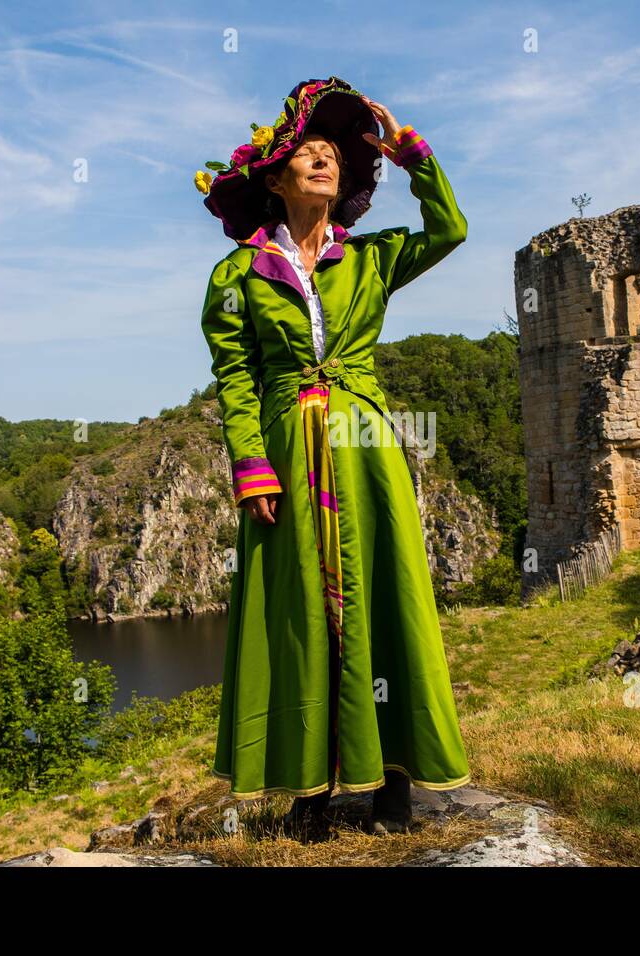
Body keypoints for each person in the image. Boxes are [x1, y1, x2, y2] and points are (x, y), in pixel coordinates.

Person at [194, 76, 470, 838]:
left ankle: (395, 787)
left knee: (387, 600)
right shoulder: (235, 278)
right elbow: (236, 380)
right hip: (286, 451)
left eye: (332, 158)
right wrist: (251, 466)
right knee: (295, 614)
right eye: (307, 156)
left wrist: (415, 156)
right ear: (275, 179)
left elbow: (450, 232)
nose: (323, 163)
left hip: (366, 449)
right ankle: (308, 789)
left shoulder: (373, 260)